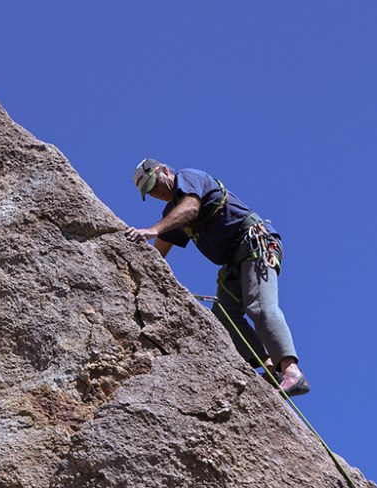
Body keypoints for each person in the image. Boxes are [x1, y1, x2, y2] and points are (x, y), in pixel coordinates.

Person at [125, 158, 310, 396]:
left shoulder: (188, 177)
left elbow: (191, 208)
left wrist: (153, 229)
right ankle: (270, 368)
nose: (156, 193)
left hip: (254, 243)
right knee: (224, 315)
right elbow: (158, 252)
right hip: (234, 262)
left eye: (155, 185)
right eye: (150, 192)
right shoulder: (172, 213)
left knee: (259, 306)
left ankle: (292, 372)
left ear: (164, 170)